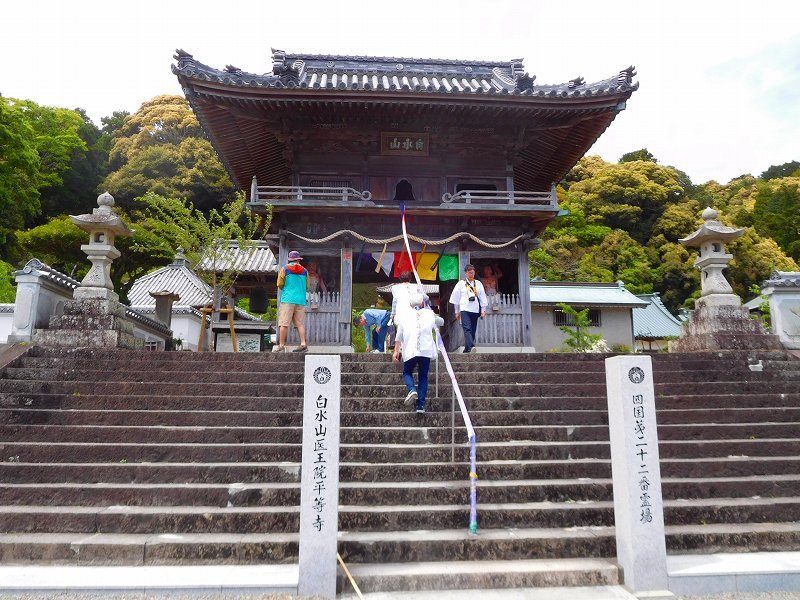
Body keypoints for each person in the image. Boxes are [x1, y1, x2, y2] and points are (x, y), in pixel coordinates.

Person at [392, 293, 444, 414]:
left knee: (407, 372)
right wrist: (431, 311)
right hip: (425, 350)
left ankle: (411, 389)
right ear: (422, 303)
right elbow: (441, 321)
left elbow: (399, 336)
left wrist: (396, 352)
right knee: (423, 377)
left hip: (410, 349)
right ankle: (420, 406)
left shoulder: (404, 316)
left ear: (410, 305)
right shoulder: (429, 313)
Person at [448, 263, 488, 353]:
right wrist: (456, 311)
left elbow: (482, 297)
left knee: (473, 329)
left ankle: (467, 348)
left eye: (473, 273)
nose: (471, 275)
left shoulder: (478, 284)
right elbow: (455, 299)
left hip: (475, 309)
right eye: (470, 273)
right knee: (467, 328)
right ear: (465, 273)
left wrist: (483, 310)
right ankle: (471, 346)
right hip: (464, 309)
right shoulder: (461, 284)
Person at [275, 250, 309, 353]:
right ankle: (303, 344)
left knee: (284, 323)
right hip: (300, 300)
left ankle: (281, 345)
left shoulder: (284, 269)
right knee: (300, 324)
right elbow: (307, 286)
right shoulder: (305, 271)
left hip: (288, 299)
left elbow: (279, 284)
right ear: (299, 260)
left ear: (290, 260)